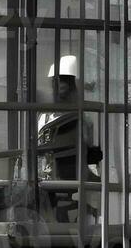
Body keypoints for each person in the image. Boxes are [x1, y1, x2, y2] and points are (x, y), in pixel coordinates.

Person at [37, 54, 104, 224]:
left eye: (65, 81)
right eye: (57, 82)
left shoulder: (83, 118)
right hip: (52, 176)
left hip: (71, 176)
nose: (61, 87)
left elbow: (90, 154)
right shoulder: (45, 117)